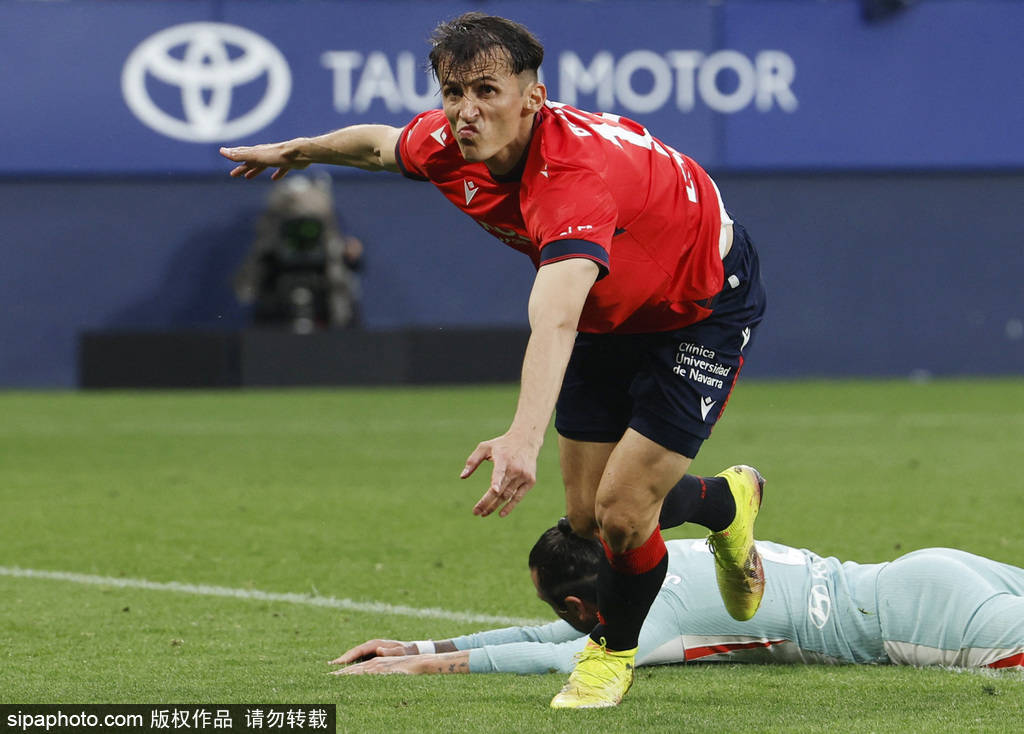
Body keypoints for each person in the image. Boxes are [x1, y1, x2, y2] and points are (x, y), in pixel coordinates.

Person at [221, 13, 767, 708]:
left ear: (533, 98)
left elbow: (556, 318)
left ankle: (609, 659)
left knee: (624, 514)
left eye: (486, 90)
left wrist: (522, 436)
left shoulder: (573, 178)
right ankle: (726, 502)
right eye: (453, 92)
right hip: (611, 305)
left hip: (698, 305)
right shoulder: (450, 142)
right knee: (586, 518)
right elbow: (381, 146)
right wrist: (303, 149)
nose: (465, 110)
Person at [331, 520, 1024, 676]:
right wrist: (417, 644)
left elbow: (565, 658)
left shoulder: (648, 615)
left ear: (579, 607)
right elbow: (550, 640)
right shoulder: (656, 558)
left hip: (919, 621)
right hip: (921, 572)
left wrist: (424, 667)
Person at [233, 174, 364, 332]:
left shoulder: (333, 243)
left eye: (311, 228)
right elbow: (246, 287)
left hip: (327, 312)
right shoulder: (269, 241)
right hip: (276, 314)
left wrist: (349, 255)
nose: (302, 234)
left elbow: (343, 283)